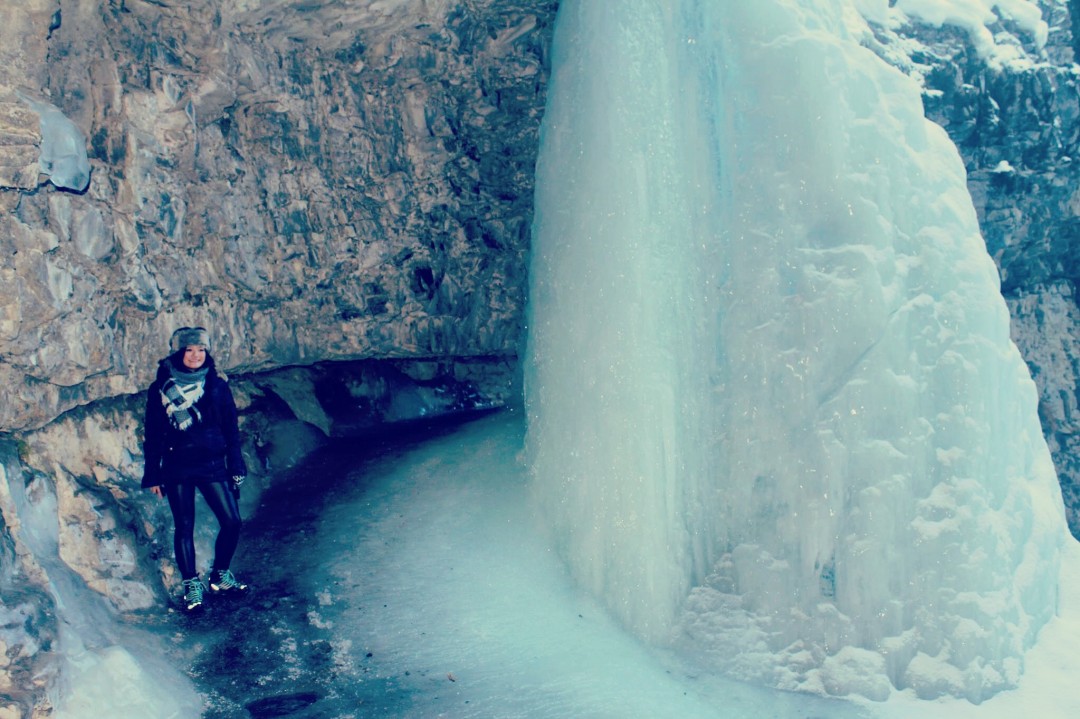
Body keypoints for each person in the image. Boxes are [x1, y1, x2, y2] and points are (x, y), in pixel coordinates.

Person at [141, 326, 249, 611]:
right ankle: (191, 584)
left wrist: (236, 462)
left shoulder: (217, 384)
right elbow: (152, 432)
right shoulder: (161, 388)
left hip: (212, 463)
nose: (196, 356)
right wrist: (153, 472)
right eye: (189, 350)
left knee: (232, 521)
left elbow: (231, 428)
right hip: (177, 467)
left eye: (201, 350)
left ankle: (220, 575)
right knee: (184, 525)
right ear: (179, 352)